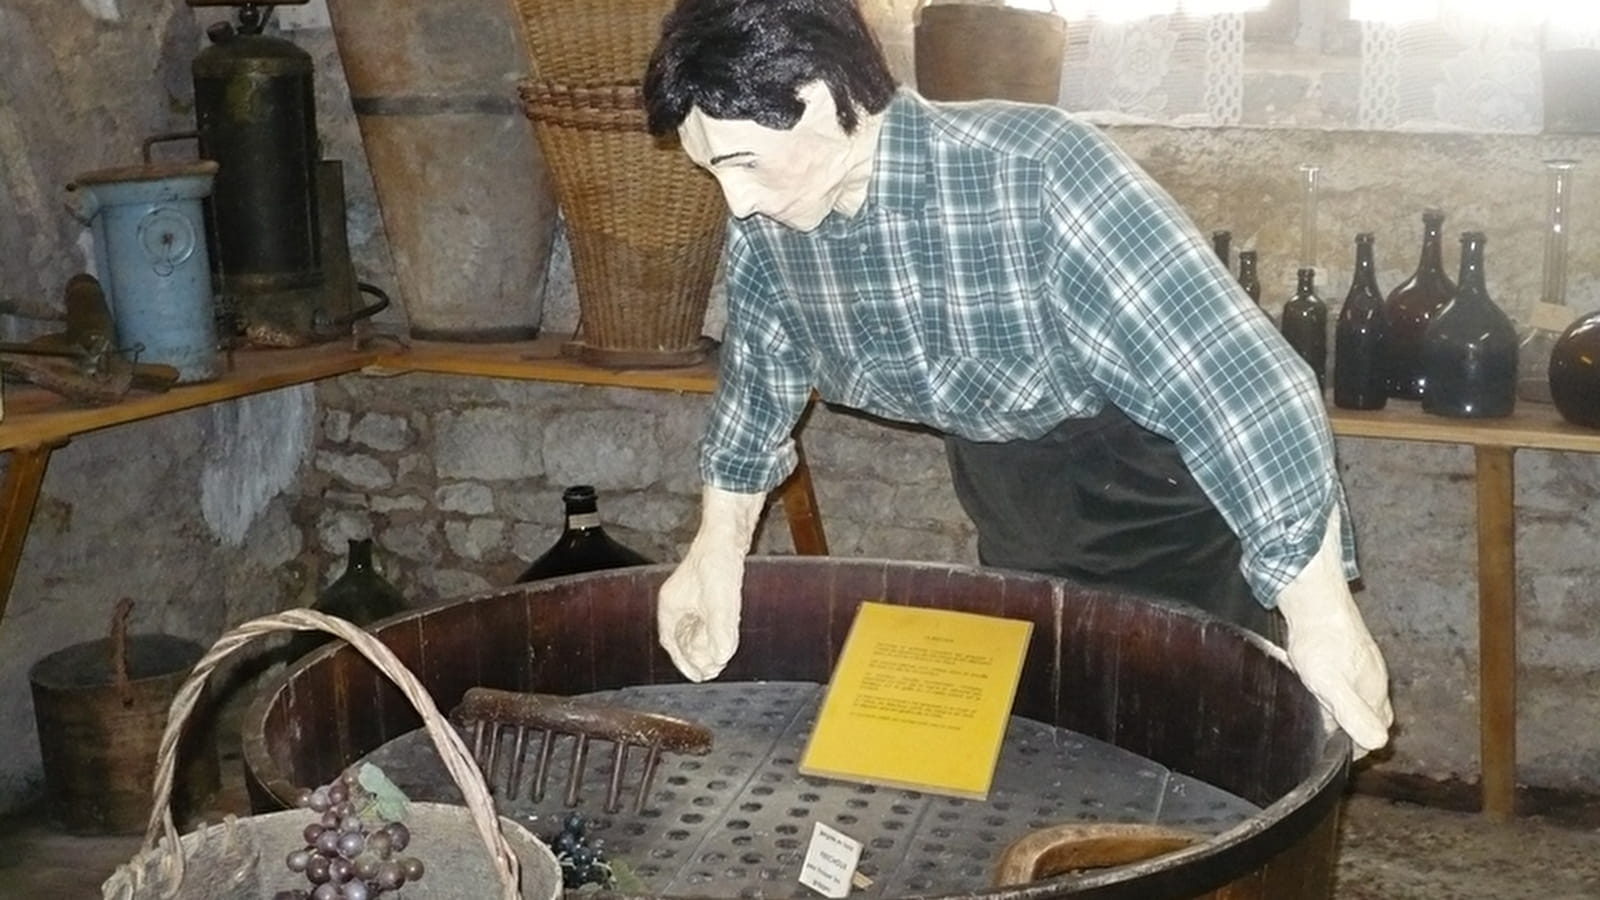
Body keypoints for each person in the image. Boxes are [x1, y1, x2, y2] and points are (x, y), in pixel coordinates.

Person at [643, 0, 1392, 755]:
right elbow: (754, 391)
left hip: (1167, 502)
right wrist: (714, 551)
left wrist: (1323, 614)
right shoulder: (771, 228)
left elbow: (1244, 388)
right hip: (1015, 499)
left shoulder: (1037, 173)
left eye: (742, 162)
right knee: (1060, 731)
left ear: (819, 95)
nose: (735, 202)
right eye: (711, 169)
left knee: (1192, 741)